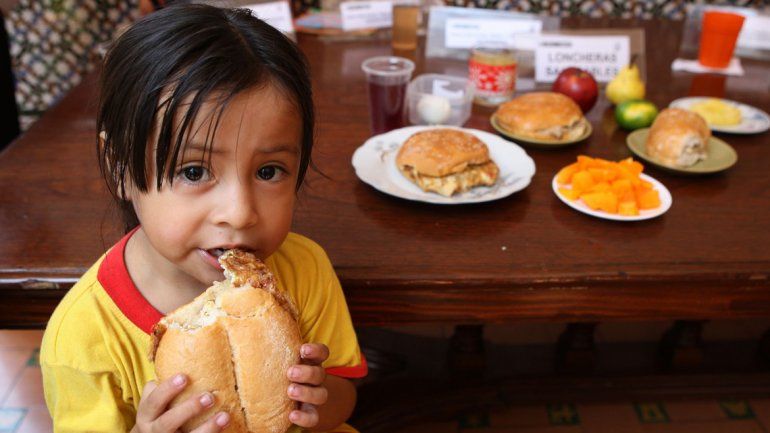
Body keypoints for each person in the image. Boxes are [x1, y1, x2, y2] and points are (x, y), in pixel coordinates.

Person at [39, 4, 367, 432]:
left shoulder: (305, 268)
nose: (240, 213)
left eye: (268, 171)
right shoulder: (82, 336)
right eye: (193, 171)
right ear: (120, 168)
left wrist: (318, 399)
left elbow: (344, 391)